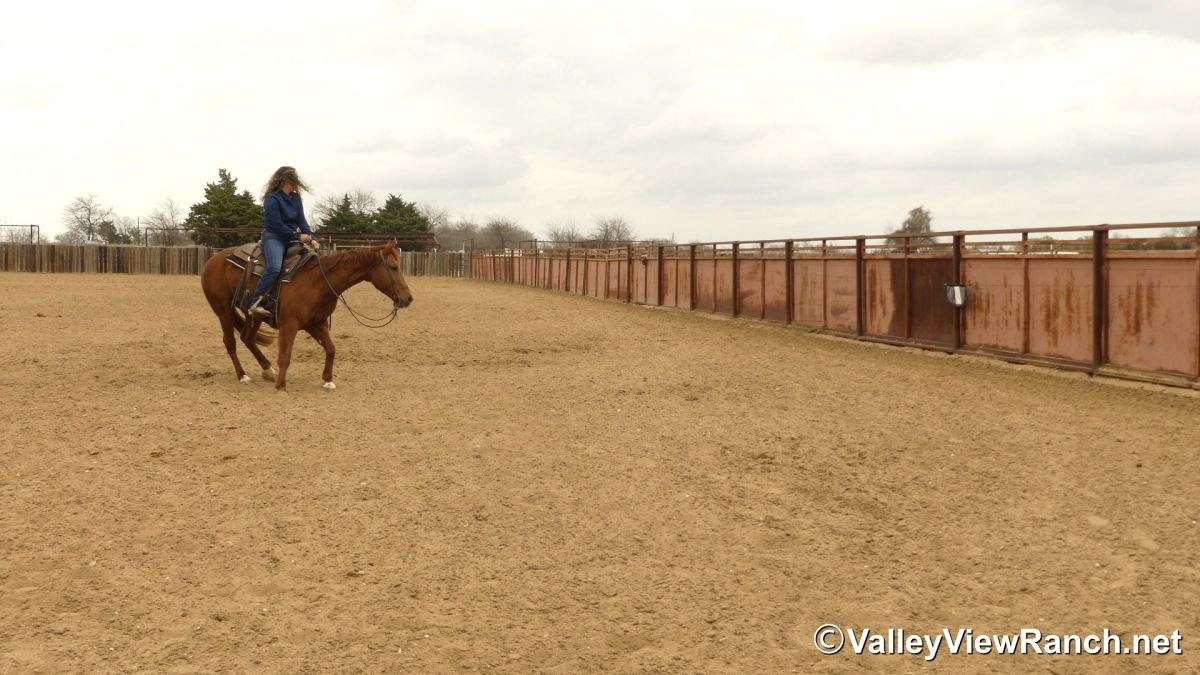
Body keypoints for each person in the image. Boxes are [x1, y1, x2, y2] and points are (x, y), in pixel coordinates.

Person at [248, 166, 318, 318]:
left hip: (292, 238)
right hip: (274, 237)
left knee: (313, 261)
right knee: (274, 267)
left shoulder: (296, 198)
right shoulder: (272, 199)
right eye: (294, 181)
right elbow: (276, 225)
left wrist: (311, 237)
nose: (296, 185)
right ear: (285, 181)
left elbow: (302, 221)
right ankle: (256, 302)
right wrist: (298, 236)